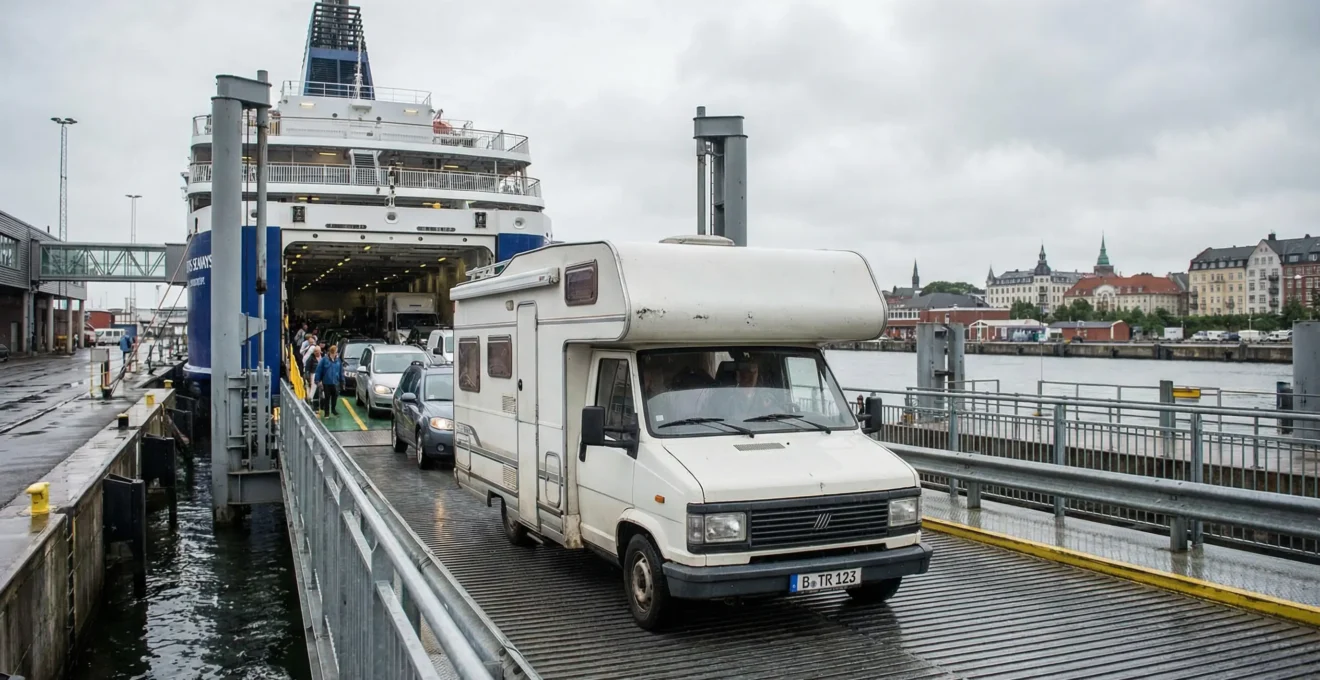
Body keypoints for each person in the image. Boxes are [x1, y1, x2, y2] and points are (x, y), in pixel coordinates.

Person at [314, 345, 343, 417]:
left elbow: (340, 371)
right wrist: (317, 380)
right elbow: (319, 370)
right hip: (326, 382)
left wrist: (342, 381)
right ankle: (326, 413)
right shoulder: (324, 360)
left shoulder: (338, 360)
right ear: (332, 352)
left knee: (335, 396)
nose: (337, 353)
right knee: (327, 397)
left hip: (335, 382)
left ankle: (333, 409)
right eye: (336, 351)